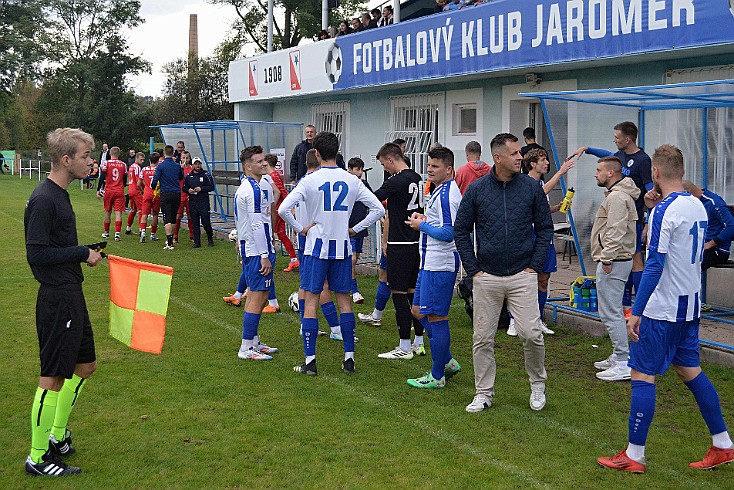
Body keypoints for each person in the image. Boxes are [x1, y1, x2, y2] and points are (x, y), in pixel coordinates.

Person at [597, 144, 734, 473]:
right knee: (690, 371)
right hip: (690, 307)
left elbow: (655, 263)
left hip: (664, 308)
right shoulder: (696, 205)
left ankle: (634, 454)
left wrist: (638, 310)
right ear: (682, 171)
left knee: (642, 374)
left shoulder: (664, 211)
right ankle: (723, 444)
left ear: (655, 172)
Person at [24, 128, 103, 477]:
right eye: (86, 156)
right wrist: (81, 253)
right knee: (53, 377)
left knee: (85, 367)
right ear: (66, 159)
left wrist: (83, 251)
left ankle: (57, 436)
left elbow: (55, 247)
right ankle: (37, 458)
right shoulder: (44, 198)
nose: (91, 161)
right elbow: (37, 254)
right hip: (56, 298)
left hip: (72, 293)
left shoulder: (62, 194)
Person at [455, 133, 553, 413]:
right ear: (498, 157)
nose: (520, 157)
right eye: (514, 154)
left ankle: (537, 384)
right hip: (487, 277)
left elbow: (545, 227)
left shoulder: (531, 188)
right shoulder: (477, 190)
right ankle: (484, 392)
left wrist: (534, 264)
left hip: (523, 274)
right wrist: (473, 270)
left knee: (531, 333)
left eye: (519, 153)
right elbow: (461, 230)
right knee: (482, 338)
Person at [279, 132, 384, 375]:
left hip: (316, 249)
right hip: (342, 248)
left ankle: (310, 361)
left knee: (312, 301)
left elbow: (284, 209)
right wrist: (354, 229)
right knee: (344, 300)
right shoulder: (352, 180)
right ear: (337, 152)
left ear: (316, 153)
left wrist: (300, 229)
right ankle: (349, 359)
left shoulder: (309, 180)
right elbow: (378, 209)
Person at [569, 121, 652, 315]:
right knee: (621, 259)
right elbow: (606, 157)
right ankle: (624, 304)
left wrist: (648, 221)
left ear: (627, 139)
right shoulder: (619, 158)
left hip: (634, 218)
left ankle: (640, 306)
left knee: (635, 259)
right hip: (616, 214)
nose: (614, 140)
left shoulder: (643, 160)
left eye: (617, 137)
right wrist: (587, 149)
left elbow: (649, 192)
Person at [405, 146, 463, 389]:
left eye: (435, 166)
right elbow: (440, 223)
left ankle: (438, 375)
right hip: (428, 262)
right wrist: (425, 220)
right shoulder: (439, 190)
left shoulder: (449, 194)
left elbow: (450, 233)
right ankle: (447, 360)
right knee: (418, 310)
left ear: (448, 169)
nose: (429, 169)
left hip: (440, 264)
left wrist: (422, 227)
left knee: (437, 317)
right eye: (429, 165)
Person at [590, 156, 639, 381]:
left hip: (614, 262)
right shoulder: (617, 195)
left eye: (599, 170)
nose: (595, 173)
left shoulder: (618, 197)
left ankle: (622, 361)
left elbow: (616, 230)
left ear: (611, 173)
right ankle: (618, 354)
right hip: (616, 260)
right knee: (611, 310)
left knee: (611, 312)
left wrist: (607, 258)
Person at [374, 142, 426, 359]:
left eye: (383, 165)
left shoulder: (396, 181)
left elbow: (373, 197)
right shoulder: (417, 178)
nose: (384, 170)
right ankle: (419, 341)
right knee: (414, 293)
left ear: (390, 159)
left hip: (400, 243)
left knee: (399, 293)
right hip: (416, 242)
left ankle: (404, 346)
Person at [519, 148, 576, 336]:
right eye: (542, 160)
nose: (547, 163)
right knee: (526, 280)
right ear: (532, 164)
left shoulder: (542, 182)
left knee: (544, 279)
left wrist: (554, 208)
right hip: (530, 235)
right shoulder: (526, 182)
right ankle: (516, 320)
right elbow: (539, 192)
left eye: (546, 160)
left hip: (545, 234)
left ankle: (538, 319)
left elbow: (539, 206)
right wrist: (561, 172)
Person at [234, 145, 279, 360]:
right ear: (247, 166)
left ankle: (253, 341)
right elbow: (255, 224)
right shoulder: (251, 189)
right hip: (256, 250)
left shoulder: (255, 186)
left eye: (264, 160)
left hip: (254, 247)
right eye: (259, 161)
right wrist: (264, 254)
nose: (264, 164)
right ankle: (246, 348)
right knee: (257, 296)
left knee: (258, 295)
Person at [682, 181, 734, 270]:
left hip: (715, 250)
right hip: (696, 247)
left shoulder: (713, 202)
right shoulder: (690, 205)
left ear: (688, 194)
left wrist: (711, 243)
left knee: (687, 267)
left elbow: (731, 226)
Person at [263, 153, 299, 272]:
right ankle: (294, 260)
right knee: (281, 234)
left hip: (277, 210)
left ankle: (264, 258)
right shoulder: (273, 175)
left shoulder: (273, 176)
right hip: (279, 208)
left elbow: (281, 191)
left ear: (267, 163)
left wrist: (284, 206)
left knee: (268, 233)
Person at [347, 157, 373, 304]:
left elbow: (372, 200)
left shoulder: (364, 185)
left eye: (361, 169)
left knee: (354, 260)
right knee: (352, 259)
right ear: (349, 170)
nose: (360, 172)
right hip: (348, 228)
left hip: (360, 228)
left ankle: (345, 285)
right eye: (357, 169)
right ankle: (354, 291)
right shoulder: (346, 185)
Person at [151, 145, 184, 250]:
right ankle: (171, 240)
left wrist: (154, 187)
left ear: (164, 153)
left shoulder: (161, 166)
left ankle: (169, 243)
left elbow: (155, 181)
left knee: (167, 217)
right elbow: (181, 177)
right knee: (173, 217)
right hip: (176, 193)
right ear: (173, 152)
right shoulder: (177, 166)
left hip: (166, 193)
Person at [183, 157, 215, 248]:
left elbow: (211, 187)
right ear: (193, 165)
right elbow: (184, 188)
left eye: (199, 163)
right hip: (193, 201)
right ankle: (197, 242)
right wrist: (188, 190)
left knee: (205, 222)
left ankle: (210, 238)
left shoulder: (206, 175)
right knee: (195, 222)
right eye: (196, 164)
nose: (197, 165)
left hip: (203, 201)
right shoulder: (189, 176)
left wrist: (201, 189)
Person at [97, 146, 127, 241]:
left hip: (109, 190)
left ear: (110, 154)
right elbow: (125, 178)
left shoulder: (106, 163)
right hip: (119, 190)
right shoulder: (123, 164)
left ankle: (106, 232)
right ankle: (117, 234)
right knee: (118, 212)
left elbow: (102, 176)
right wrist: (123, 185)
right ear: (119, 154)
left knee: (108, 211)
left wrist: (98, 189)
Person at [138, 153, 161, 243]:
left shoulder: (144, 169)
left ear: (149, 160)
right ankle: (153, 234)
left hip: (147, 193)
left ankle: (143, 231)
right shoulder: (159, 169)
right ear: (158, 160)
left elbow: (138, 184)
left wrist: (142, 190)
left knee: (144, 214)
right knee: (155, 214)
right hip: (156, 194)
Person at [174, 150, 194, 244]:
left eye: (187, 158)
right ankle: (175, 236)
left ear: (189, 159)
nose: (185, 160)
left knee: (190, 215)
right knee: (178, 216)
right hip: (180, 195)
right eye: (183, 158)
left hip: (190, 196)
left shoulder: (192, 169)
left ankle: (192, 235)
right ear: (180, 158)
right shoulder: (177, 168)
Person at [125, 152, 144, 236]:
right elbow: (138, 181)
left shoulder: (131, 166)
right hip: (136, 191)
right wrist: (142, 189)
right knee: (141, 210)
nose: (142, 161)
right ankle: (141, 230)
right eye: (141, 159)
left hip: (130, 190)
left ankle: (128, 228)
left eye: (143, 159)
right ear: (136, 158)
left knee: (133, 210)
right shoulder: (137, 167)